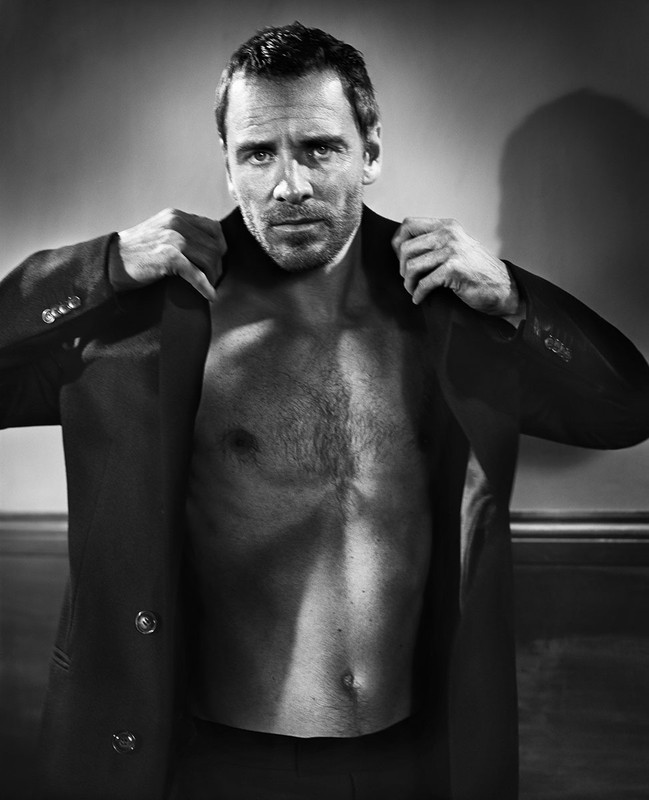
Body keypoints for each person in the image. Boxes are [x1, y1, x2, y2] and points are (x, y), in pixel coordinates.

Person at [1, 21, 648, 800]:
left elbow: (624, 411)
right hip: (211, 765)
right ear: (227, 164)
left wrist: (513, 297)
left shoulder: (447, 311)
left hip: (409, 764)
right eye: (258, 154)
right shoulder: (146, 322)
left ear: (369, 151)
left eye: (317, 148)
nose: (289, 186)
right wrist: (99, 267)